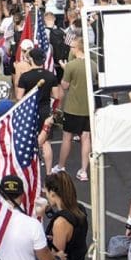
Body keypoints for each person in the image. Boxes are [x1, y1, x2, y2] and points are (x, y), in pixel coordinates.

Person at [53, 33, 91, 181]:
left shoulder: (71, 66)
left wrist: (65, 68)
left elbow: (64, 85)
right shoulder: (92, 65)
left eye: (72, 47)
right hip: (87, 107)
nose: (71, 50)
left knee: (67, 137)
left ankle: (61, 166)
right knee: (86, 138)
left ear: (78, 48)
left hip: (73, 108)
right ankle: (84, 170)